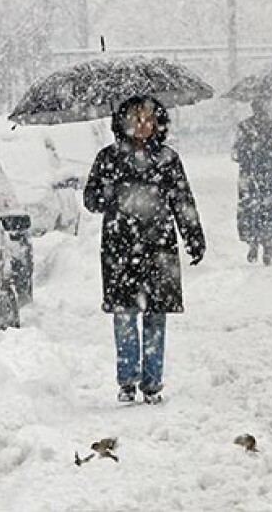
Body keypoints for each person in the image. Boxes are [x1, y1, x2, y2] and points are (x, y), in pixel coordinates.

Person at [83, 95, 206, 405]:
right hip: (120, 247)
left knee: (155, 316)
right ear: (123, 122)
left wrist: (194, 237)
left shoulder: (167, 159)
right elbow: (91, 201)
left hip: (158, 247)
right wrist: (108, 189)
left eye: (150, 120)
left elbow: (183, 201)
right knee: (124, 315)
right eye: (137, 119)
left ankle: (152, 382)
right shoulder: (107, 159)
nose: (143, 126)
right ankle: (127, 381)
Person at [232, 98, 272, 265]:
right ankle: (269, 246)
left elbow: (235, 153)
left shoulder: (244, 127)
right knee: (270, 209)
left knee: (250, 209)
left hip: (248, 176)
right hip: (271, 176)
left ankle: (253, 242)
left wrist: (249, 158)